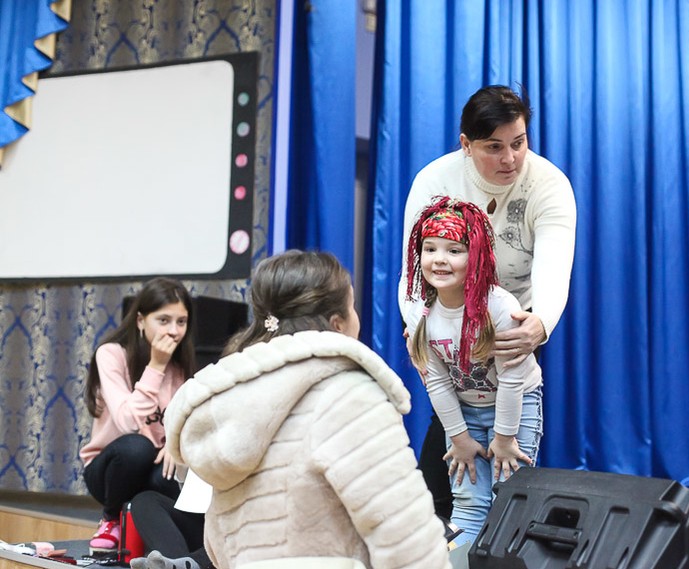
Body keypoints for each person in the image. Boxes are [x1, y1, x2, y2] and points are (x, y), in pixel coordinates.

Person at [165, 250, 452, 569]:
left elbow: (217, 541)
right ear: (337, 324)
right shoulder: (348, 395)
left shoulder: (226, 399)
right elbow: (403, 534)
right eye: (353, 306)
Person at [399, 85, 577, 518]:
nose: (510, 158)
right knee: (452, 432)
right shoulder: (435, 181)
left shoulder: (549, 184)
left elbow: (554, 267)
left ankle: (507, 517)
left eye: (518, 143)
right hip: (446, 318)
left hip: (511, 324)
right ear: (466, 144)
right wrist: (422, 330)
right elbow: (414, 271)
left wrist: (539, 324)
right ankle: (445, 522)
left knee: (509, 442)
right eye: (494, 147)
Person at [403, 197, 544, 547]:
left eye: (454, 250)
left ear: (476, 256)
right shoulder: (421, 312)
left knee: (509, 497)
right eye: (430, 249)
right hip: (465, 411)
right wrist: (460, 439)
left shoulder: (500, 307)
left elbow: (512, 378)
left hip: (515, 404)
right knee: (467, 500)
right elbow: (436, 381)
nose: (439, 259)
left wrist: (505, 438)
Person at [81, 277, 195, 554]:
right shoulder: (111, 354)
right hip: (111, 470)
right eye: (164, 320)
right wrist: (156, 366)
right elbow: (127, 422)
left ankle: (162, 545)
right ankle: (110, 519)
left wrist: (175, 444)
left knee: (171, 474)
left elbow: (190, 420)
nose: (174, 331)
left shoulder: (182, 367)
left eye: (181, 322)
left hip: (153, 467)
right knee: (137, 448)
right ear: (141, 321)